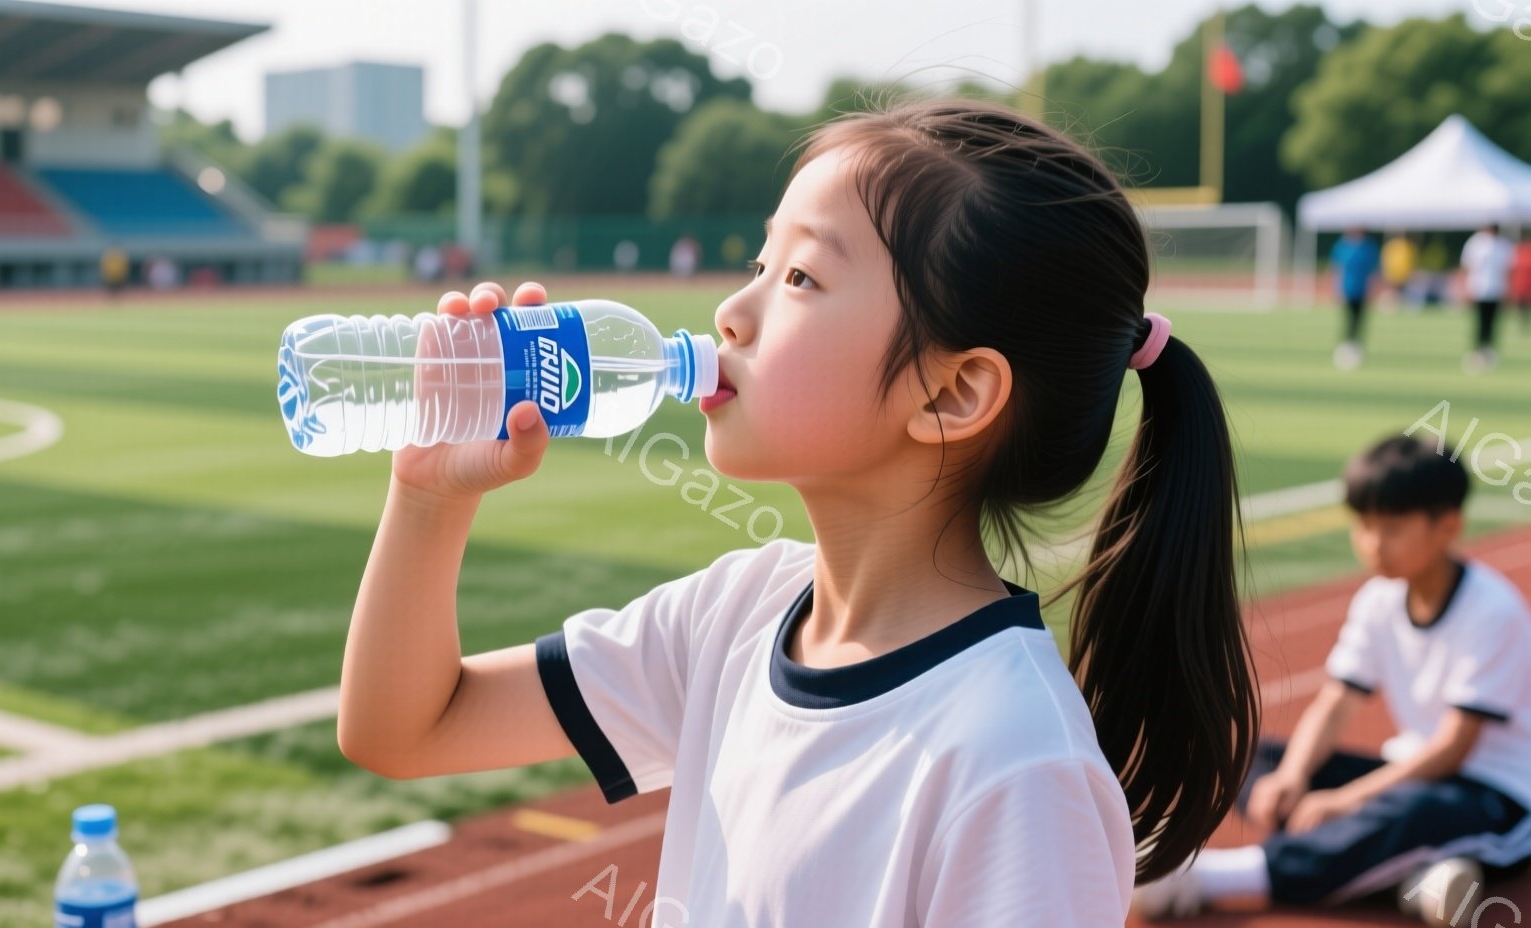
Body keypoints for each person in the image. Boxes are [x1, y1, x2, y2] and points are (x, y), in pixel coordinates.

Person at [336, 98, 1262, 925]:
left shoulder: (1015, 766)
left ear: (953, 395)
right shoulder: (732, 614)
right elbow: (406, 727)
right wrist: (428, 494)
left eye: (800, 280)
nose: (731, 313)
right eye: (759, 259)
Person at [1135, 434, 1531, 927]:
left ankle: (1208, 878)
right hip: (1407, 770)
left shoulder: (1494, 612)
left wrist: (1343, 801)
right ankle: (1406, 877)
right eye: (1363, 525)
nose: (1371, 543)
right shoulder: (1378, 600)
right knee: (1254, 758)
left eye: (1391, 528)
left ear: (1447, 525)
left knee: (1415, 811)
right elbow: (1336, 701)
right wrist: (1294, 776)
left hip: (1496, 796)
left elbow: (1452, 749)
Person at [1459, 223, 1514, 372]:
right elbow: (1467, 266)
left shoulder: (1503, 245)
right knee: (1480, 322)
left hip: (1496, 289)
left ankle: (1489, 351)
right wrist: (1464, 288)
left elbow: (1508, 270)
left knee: (1492, 322)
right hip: (1479, 289)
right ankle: (1477, 351)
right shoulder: (1476, 243)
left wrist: (1508, 291)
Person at [1329, 228, 1380, 370]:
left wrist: (1373, 288)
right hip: (1348, 289)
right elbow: (1337, 268)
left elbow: (1373, 270)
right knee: (1347, 320)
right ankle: (1345, 346)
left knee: (1360, 321)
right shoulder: (1342, 246)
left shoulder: (1368, 247)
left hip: (1362, 290)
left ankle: (1357, 347)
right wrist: (1337, 289)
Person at [1380, 231, 1415, 308]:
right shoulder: (1390, 246)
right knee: (1393, 292)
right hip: (1393, 274)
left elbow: (1410, 261)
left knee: (1402, 292)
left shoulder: (1406, 246)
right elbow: (1386, 260)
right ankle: (1392, 305)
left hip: (1403, 274)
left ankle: (1402, 306)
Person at [1509, 233, 1531, 335]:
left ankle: (1525, 324)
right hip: (1520, 282)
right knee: (1519, 305)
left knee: (1526, 305)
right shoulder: (1518, 250)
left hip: (1528, 282)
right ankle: (1520, 324)